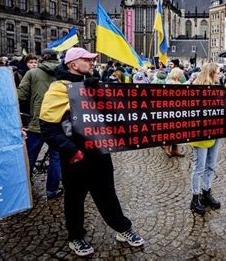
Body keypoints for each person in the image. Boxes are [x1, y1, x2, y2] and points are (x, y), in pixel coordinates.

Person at [39, 47, 144, 257]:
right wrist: (70, 150)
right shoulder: (57, 89)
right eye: (86, 59)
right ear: (73, 64)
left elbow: (113, 115)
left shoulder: (95, 82)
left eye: (92, 59)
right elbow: (48, 129)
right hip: (75, 156)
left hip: (100, 153)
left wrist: (99, 93)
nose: (92, 62)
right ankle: (75, 237)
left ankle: (122, 229)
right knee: (75, 200)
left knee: (108, 194)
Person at [17, 51, 63, 199]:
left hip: (38, 120)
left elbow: (21, 95)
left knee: (30, 155)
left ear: (42, 58)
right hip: (59, 122)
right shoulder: (64, 73)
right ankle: (52, 191)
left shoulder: (32, 73)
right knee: (56, 158)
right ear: (57, 58)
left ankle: (24, 187)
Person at [188, 63, 223, 216]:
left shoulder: (217, 88)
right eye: (218, 73)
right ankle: (195, 199)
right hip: (200, 134)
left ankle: (206, 193)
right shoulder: (195, 90)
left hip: (215, 131)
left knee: (211, 166)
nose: (220, 75)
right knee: (199, 168)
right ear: (211, 73)